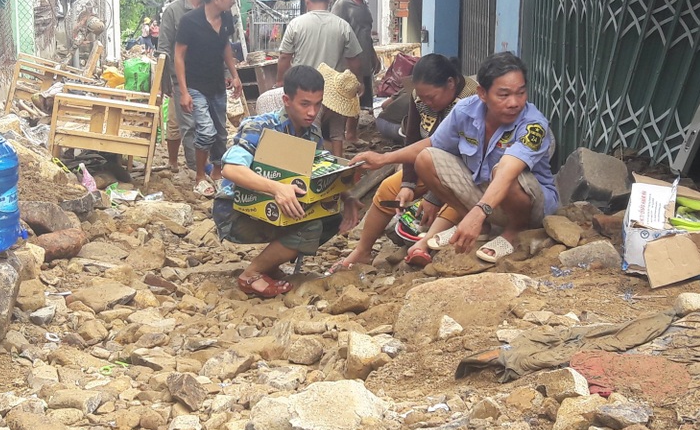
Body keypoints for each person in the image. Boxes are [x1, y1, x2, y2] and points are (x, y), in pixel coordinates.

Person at [351, 52, 559, 264]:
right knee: (425, 158)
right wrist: (383, 159)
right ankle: (483, 229)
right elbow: (432, 144)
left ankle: (515, 230)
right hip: (486, 195)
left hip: (530, 206)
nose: (514, 102)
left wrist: (477, 214)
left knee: (503, 171)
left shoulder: (533, 124)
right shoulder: (465, 110)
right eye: (504, 95)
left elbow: (508, 171)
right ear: (483, 94)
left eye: (521, 93)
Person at [214, 66, 361, 297]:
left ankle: (270, 266)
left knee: (332, 217)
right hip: (235, 212)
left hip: (273, 210)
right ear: (286, 100)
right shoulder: (259, 127)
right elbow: (231, 169)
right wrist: (276, 188)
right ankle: (251, 274)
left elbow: (317, 176)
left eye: (317, 104)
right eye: (305, 104)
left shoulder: (312, 134)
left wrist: (348, 196)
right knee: (310, 224)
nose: (312, 112)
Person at [329, 54, 479, 272]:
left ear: (450, 83)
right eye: (423, 97)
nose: (426, 102)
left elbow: (457, 153)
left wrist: (432, 197)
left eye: (432, 97)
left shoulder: (469, 102)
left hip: (464, 168)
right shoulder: (420, 96)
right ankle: (362, 251)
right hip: (424, 163)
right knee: (390, 188)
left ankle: (425, 243)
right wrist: (408, 184)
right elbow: (413, 139)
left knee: (453, 199)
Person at [175, 0, 244, 198]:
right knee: (205, 130)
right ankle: (199, 177)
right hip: (195, 84)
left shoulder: (226, 19)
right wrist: (183, 91)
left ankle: (216, 173)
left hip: (216, 83)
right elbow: (179, 56)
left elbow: (225, 46)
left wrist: (235, 74)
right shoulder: (190, 21)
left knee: (221, 132)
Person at [276, 0, 363, 156]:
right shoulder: (342, 26)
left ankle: (306, 167)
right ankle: (339, 167)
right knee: (337, 132)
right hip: (335, 90)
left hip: (304, 90)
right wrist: (357, 83)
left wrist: (280, 80)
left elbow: (285, 57)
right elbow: (354, 59)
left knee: (308, 132)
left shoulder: (296, 24)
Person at [159, 0, 211, 172]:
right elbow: (164, 49)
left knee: (208, 123)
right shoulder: (173, 12)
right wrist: (166, 84)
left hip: (207, 77)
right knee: (187, 125)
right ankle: (195, 169)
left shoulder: (211, 7)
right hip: (182, 79)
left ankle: (207, 166)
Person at [332, 0, 380, 142]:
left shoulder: (364, 6)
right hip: (349, 62)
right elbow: (336, 32)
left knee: (359, 98)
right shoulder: (342, 5)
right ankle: (342, 135)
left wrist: (373, 55)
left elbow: (365, 34)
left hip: (364, 59)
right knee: (347, 98)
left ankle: (352, 135)